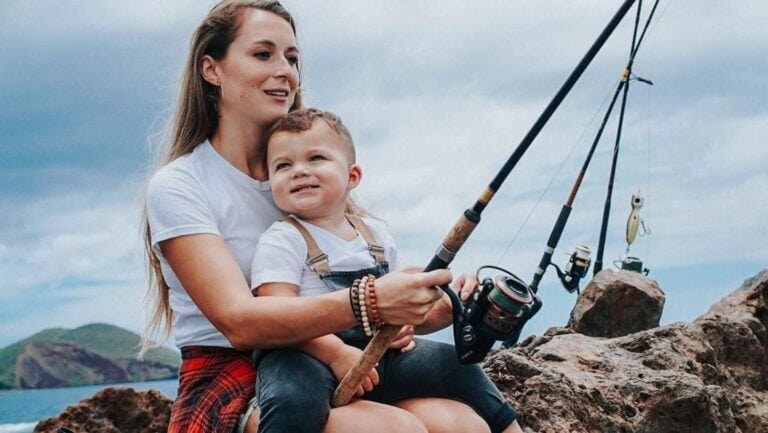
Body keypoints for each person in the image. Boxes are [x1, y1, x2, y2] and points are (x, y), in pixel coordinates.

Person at [140, 1, 523, 432]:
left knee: (460, 423)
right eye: (263, 54)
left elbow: (380, 293)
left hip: (353, 353)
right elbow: (238, 323)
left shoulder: (308, 177)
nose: (285, 70)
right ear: (212, 69)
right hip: (234, 372)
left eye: (292, 58)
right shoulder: (180, 184)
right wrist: (373, 302)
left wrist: (443, 300)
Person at [250, 108, 523, 433]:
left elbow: (401, 310)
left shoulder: (376, 236)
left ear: (352, 176)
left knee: (457, 366)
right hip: (305, 353)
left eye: (315, 159)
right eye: (283, 165)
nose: (299, 171)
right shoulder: (282, 239)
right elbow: (275, 314)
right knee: (291, 401)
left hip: (379, 352)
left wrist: (432, 315)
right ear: (270, 181)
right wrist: (337, 353)